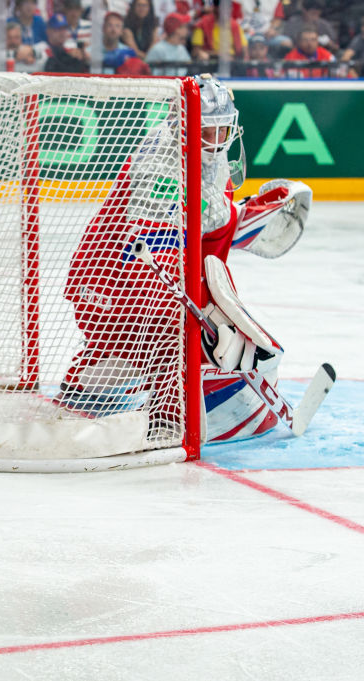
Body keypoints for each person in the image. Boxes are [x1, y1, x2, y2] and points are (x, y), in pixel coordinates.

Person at [60, 75, 312, 444]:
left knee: (126, 352)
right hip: (108, 277)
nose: (217, 140)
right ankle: (170, 415)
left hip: (134, 268)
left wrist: (244, 217)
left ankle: (87, 388)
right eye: (208, 131)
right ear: (184, 127)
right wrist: (204, 314)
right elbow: (155, 252)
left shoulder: (212, 158)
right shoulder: (158, 167)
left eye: (223, 129)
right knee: (173, 326)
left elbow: (203, 223)